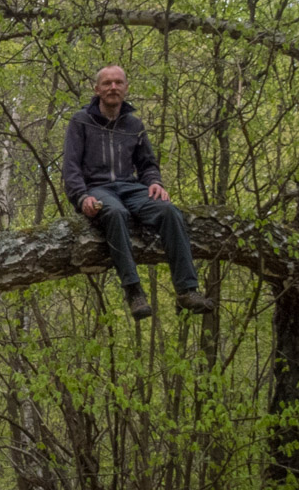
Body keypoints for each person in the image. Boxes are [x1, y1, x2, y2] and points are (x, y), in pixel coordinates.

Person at [60, 65, 215, 321]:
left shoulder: (134, 124)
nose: (113, 88)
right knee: (115, 213)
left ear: (126, 87)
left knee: (168, 211)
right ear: (97, 89)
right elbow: (71, 167)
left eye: (118, 83)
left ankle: (187, 290)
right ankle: (134, 292)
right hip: (97, 189)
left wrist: (155, 182)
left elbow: (147, 164)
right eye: (107, 83)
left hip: (130, 187)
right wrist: (81, 197)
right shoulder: (81, 121)